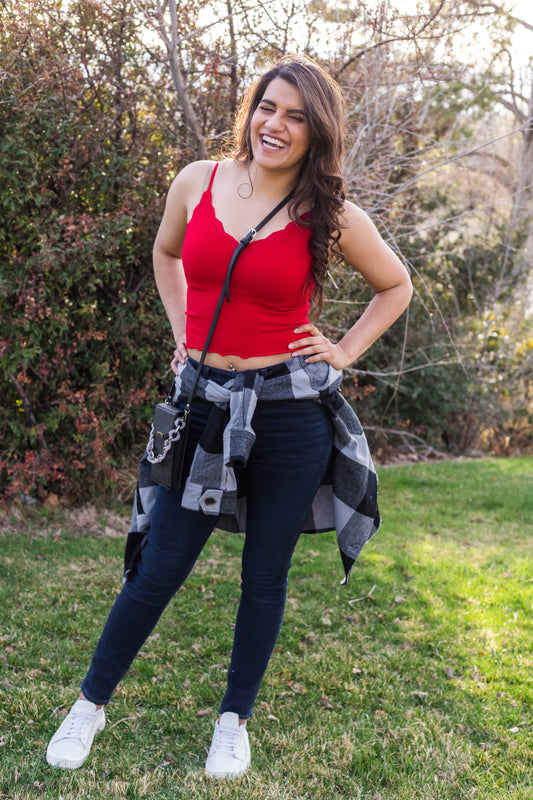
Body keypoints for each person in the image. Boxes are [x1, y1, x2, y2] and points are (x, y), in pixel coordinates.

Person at [46, 55, 412, 779]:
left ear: (317, 132)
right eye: (267, 107)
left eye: (296, 116)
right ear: (251, 110)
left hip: (288, 414)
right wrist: (185, 334)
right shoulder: (197, 180)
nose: (276, 125)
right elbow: (167, 254)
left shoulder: (329, 214)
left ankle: (232, 721)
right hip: (205, 406)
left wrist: (342, 351)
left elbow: (395, 284)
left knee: (264, 575)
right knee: (158, 567)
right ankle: (89, 705)